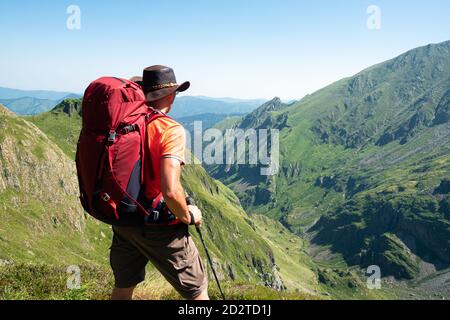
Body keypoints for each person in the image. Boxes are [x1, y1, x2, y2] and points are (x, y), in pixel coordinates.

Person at [110, 66, 209, 300]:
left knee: (124, 286)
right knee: (197, 291)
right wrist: (188, 215)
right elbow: (171, 190)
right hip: (158, 226)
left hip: (123, 219)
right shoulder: (169, 129)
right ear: (172, 95)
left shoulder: (122, 124)